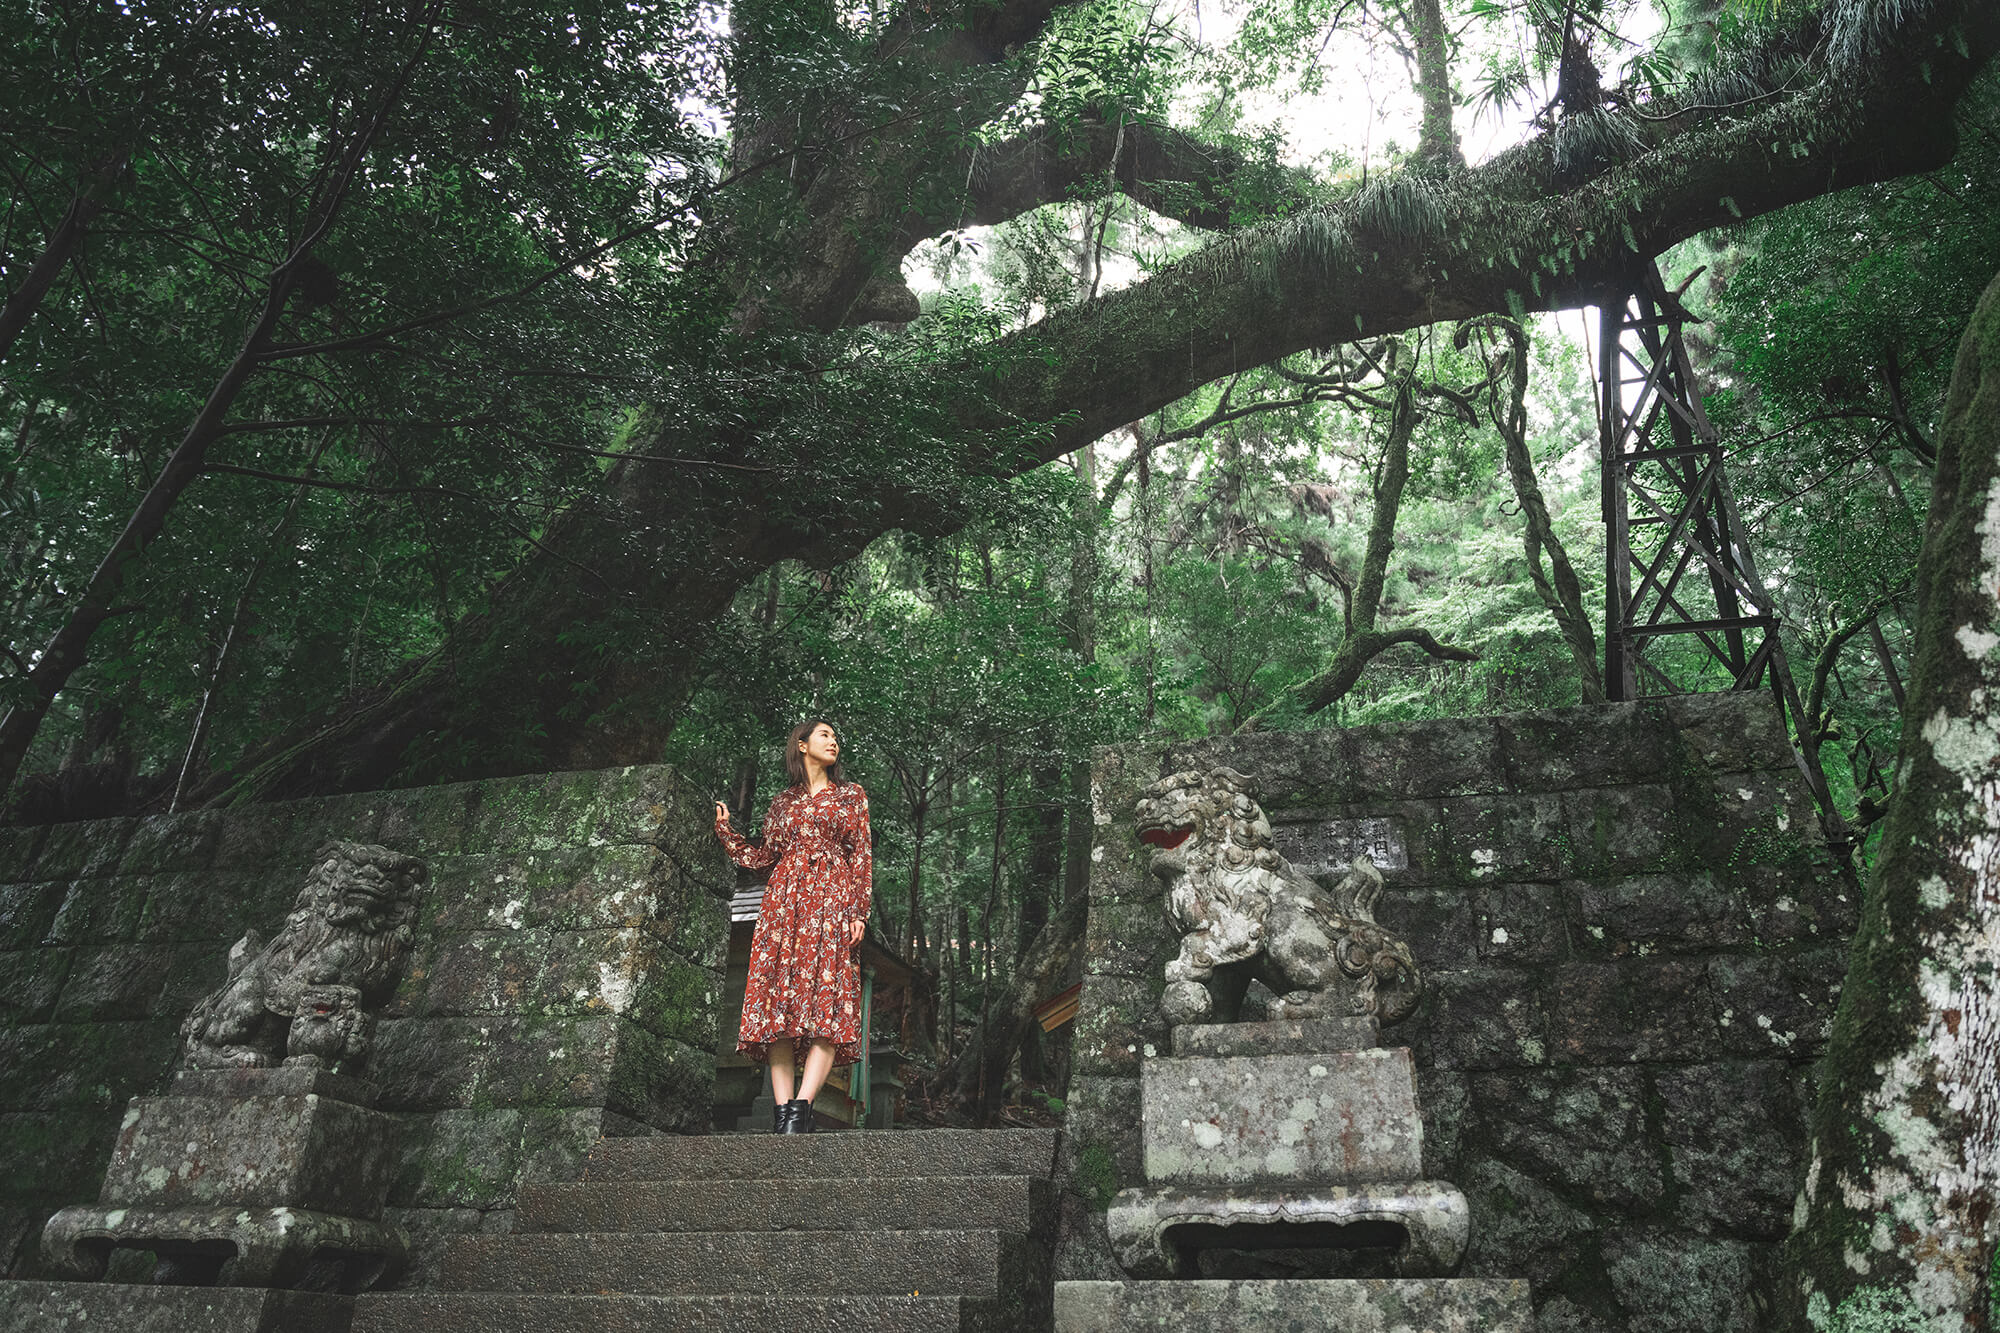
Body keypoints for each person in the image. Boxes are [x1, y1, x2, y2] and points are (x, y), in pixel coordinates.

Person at [713, 718, 873, 1133]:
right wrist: (726, 831)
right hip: (783, 906)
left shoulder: (851, 796)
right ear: (801, 746)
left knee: (828, 1004)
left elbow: (861, 855)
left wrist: (858, 912)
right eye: (825, 735)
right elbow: (763, 857)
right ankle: (784, 1115)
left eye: (836, 737)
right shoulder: (782, 803)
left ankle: (802, 1109)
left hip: (832, 903)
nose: (834, 741)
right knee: (778, 1008)